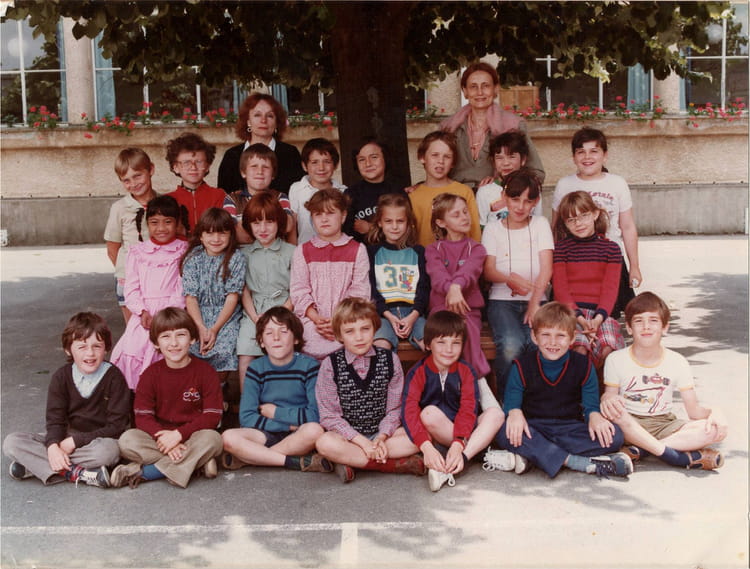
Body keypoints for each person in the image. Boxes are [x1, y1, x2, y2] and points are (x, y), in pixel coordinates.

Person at [494, 302, 633, 479]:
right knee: (502, 431)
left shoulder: (583, 365)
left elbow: (591, 407)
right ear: (534, 337)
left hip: (568, 428)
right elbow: (511, 405)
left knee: (615, 436)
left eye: (560, 336)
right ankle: (577, 462)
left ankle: (535, 455)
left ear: (572, 338)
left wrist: (595, 416)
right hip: (533, 427)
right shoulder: (522, 366)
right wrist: (514, 412)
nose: (552, 342)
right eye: (545, 335)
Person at [600, 292, 727, 470]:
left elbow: (694, 411)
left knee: (713, 429)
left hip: (664, 423)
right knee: (616, 414)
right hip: (629, 423)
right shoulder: (616, 359)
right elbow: (610, 395)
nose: (646, 327)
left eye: (653, 320)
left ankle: (642, 450)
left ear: (665, 327)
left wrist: (716, 412)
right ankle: (673, 456)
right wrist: (608, 399)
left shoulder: (678, 361)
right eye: (638, 321)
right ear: (628, 327)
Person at [3, 312, 130, 488]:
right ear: (68, 349)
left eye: (97, 346)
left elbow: (117, 426)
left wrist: (76, 442)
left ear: (106, 348)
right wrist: (53, 446)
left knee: (108, 452)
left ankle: (37, 465)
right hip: (65, 438)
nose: (90, 353)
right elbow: (55, 420)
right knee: (12, 442)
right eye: (82, 347)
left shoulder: (114, 377)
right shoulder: (61, 377)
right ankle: (78, 473)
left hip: (98, 441)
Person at [111, 307, 223, 489]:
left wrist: (179, 435)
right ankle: (196, 463)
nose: (174, 343)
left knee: (213, 440)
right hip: (159, 440)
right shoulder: (149, 375)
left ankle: (144, 472)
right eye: (165, 337)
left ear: (192, 339)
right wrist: (166, 441)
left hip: (193, 436)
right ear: (156, 343)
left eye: (181, 335)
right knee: (127, 440)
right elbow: (142, 417)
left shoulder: (206, 372)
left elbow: (212, 416)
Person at [315, 298, 425, 483]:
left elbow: (394, 409)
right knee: (324, 443)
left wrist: (381, 437)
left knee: (417, 436)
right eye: (350, 331)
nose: (359, 337)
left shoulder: (390, 360)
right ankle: (391, 465)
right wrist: (362, 442)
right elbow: (329, 415)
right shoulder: (330, 365)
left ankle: (353, 461)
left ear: (375, 329)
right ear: (340, 335)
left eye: (365, 329)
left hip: (384, 434)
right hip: (347, 437)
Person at [401, 311, 504, 492]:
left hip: (464, 432)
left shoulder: (466, 371)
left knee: (496, 414)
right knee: (428, 413)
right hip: (438, 434)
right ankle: (481, 454)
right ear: (428, 344)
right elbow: (408, 411)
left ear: (462, 345)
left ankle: (459, 460)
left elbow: (468, 409)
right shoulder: (418, 372)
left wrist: (458, 444)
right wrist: (426, 447)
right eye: (441, 342)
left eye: (455, 343)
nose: (448, 349)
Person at [221, 307, 332, 473]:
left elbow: (315, 414)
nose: (276, 338)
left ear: (296, 338)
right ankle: (292, 461)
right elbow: (246, 417)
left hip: (300, 433)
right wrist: (288, 426)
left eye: (283, 331)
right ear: (261, 341)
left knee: (315, 430)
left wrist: (276, 412)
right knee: (228, 438)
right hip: (268, 431)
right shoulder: (256, 368)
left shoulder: (309, 366)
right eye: (268, 333)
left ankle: (254, 457)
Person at [552, 127, 642, 318]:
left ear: (605, 155)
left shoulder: (617, 183)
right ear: (573, 157)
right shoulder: (564, 185)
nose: (587, 157)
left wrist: (634, 265)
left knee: (611, 314)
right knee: (571, 317)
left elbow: (627, 227)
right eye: (581, 152)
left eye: (594, 151)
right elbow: (556, 228)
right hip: (573, 261)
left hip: (610, 260)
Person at [482, 168, 554, 401]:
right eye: (515, 199)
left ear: (536, 201)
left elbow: (547, 268)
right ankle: (508, 402)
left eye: (528, 201)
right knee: (511, 345)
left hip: (537, 299)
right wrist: (509, 279)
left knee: (537, 343)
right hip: (502, 301)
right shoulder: (493, 228)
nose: (521, 207)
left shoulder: (540, 224)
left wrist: (534, 304)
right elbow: (488, 270)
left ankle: (537, 402)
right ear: (504, 196)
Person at [426, 193, 498, 411]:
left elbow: (470, 271)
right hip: (440, 309)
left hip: (468, 309)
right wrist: (451, 289)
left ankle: (479, 382)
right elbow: (437, 275)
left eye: (465, 212)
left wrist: (457, 286)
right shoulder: (433, 249)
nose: (464, 217)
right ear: (441, 222)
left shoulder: (476, 248)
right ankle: (445, 387)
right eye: (456, 214)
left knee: (465, 329)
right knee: (443, 334)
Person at [111, 195, 189, 391]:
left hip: (172, 314)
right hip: (143, 315)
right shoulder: (137, 252)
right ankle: (137, 396)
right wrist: (142, 311)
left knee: (169, 350)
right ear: (147, 224)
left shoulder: (184, 251)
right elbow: (131, 288)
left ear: (177, 222)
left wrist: (165, 316)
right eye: (154, 222)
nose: (161, 228)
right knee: (133, 349)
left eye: (167, 222)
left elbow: (182, 288)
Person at [290, 188, 370, 360]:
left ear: (343, 216)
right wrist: (316, 318)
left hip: (347, 318)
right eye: (318, 214)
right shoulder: (302, 251)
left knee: (351, 338)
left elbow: (360, 291)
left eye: (330, 213)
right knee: (307, 339)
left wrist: (338, 319)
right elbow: (299, 291)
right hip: (312, 320)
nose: (324, 219)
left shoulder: (357, 249)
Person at [440, 61, 544, 190]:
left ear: (495, 89)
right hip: (455, 197)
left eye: (486, 86)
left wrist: (500, 183)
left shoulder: (514, 125)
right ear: (465, 91)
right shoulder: (448, 128)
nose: (479, 92)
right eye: (473, 86)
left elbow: (536, 173)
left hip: (497, 196)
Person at [552, 191, 624, 373]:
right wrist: (580, 318)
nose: (578, 223)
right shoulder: (561, 249)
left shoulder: (611, 249)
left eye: (583, 216)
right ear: (565, 223)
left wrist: (598, 319)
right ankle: (579, 389)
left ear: (595, 214)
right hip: (571, 313)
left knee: (609, 350)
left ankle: (605, 389)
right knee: (579, 349)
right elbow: (561, 289)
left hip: (602, 313)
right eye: (571, 220)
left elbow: (610, 289)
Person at [236, 192, 296, 390]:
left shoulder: (292, 252)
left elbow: (297, 289)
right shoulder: (243, 253)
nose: (263, 229)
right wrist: (255, 317)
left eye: (269, 222)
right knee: (246, 354)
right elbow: (244, 290)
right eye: (256, 223)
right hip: (254, 311)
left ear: (279, 223)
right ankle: (248, 403)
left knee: (284, 351)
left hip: (285, 308)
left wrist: (281, 314)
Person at [181, 208, 246, 381]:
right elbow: (191, 297)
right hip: (197, 314)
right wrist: (201, 327)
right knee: (190, 346)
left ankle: (219, 387)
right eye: (209, 233)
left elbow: (232, 296)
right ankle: (195, 389)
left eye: (222, 233)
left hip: (226, 315)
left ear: (230, 235)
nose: (216, 239)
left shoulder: (235, 257)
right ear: (201, 236)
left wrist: (215, 329)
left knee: (223, 348)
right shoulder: (193, 258)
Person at [367, 193, 429, 352]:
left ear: (409, 223)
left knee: (431, 343)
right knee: (380, 346)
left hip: (414, 314)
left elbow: (423, 288)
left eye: (400, 221)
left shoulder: (418, 252)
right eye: (388, 221)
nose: (394, 226)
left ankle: (428, 369)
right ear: (380, 222)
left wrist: (413, 316)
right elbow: (372, 289)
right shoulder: (372, 252)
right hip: (383, 315)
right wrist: (388, 315)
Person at [104, 147, 159, 323]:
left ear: (151, 170)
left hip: (158, 277)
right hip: (129, 280)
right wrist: (129, 273)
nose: (133, 183)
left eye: (137, 176)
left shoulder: (164, 203)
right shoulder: (119, 208)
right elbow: (112, 248)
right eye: (126, 180)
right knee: (134, 329)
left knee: (160, 327)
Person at [217, 92, 305, 195]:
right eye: (257, 115)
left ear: (276, 122)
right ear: (248, 121)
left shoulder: (290, 154)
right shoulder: (232, 156)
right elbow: (223, 197)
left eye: (270, 116)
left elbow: (298, 195)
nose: (263, 120)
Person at [408, 131, 481, 247]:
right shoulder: (413, 196)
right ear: (422, 157)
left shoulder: (464, 191)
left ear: (453, 163)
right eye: (435, 155)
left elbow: (475, 232)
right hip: (426, 256)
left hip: (461, 256)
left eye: (447, 156)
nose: (440, 161)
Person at [222, 143, 297, 244]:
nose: (260, 171)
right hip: (244, 253)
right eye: (254, 166)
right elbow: (233, 234)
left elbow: (287, 226)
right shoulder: (232, 199)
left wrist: (243, 226)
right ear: (243, 172)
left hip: (275, 252)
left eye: (265, 167)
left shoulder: (280, 197)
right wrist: (272, 226)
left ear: (273, 174)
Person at [343, 137, 406, 242]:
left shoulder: (397, 191)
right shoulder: (351, 193)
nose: (368, 163)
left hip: (392, 250)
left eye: (374, 157)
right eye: (362, 159)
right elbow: (345, 230)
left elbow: (407, 227)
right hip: (361, 251)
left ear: (385, 159)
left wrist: (370, 227)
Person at [475, 130, 541, 228]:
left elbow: (538, 223)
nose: (506, 163)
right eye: (499, 158)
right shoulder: (485, 191)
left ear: (523, 160)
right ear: (493, 162)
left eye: (511, 157)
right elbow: (481, 226)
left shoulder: (533, 188)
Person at [289, 137, 347, 244]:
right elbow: (292, 228)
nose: (321, 168)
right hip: (305, 251)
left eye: (327, 162)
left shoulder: (343, 191)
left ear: (335, 165)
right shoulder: (296, 188)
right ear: (304, 166)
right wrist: (294, 251)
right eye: (314, 162)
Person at [166, 132, 225, 232]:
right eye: (186, 162)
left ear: (207, 166)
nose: (193, 167)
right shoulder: (168, 200)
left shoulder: (219, 195)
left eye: (199, 162)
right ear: (175, 167)